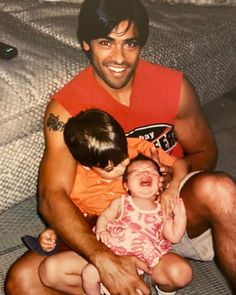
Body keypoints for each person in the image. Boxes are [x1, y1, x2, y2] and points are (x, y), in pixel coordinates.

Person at [5, 0, 236, 294]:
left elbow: (206, 153)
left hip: (168, 211)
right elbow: (52, 196)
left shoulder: (173, 88)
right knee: (22, 281)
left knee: (222, 189)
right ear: (86, 44)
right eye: (106, 42)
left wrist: (170, 185)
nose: (120, 57)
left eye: (130, 44)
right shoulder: (66, 110)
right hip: (109, 224)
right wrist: (104, 258)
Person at [24, 108, 190, 295]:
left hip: (148, 247)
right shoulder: (78, 182)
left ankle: (154, 285)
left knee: (180, 273)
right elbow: (70, 215)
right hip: (109, 248)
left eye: (125, 160)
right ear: (86, 165)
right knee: (50, 271)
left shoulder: (136, 147)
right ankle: (106, 289)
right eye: (111, 168)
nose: (122, 169)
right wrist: (52, 231)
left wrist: (172, 187)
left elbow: (180, 164)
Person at [38, 154, 192, 295]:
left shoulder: (161, 209)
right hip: (113, 254)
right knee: (89, 273)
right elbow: (104, 217)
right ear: (126, 185)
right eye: (137, 172)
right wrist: (101, 229)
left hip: (147, 262)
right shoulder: (122, 202)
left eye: (151, 171)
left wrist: (180, 216)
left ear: (160, 182)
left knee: (182, 272)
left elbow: (174, 236)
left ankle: (161, 290)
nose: (145, 173)